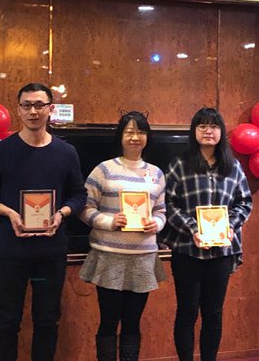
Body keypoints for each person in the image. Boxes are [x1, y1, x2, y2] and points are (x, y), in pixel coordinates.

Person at [0, 83, 87, 361]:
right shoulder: (1, 151)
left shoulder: (66, 152)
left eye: (39, 105)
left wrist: (62, 213)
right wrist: (7, 212)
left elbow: (79, 194)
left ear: (50, 109)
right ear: (18, 110)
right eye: (27, 105)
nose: (33, 111)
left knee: (47, 320)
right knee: (7, 320)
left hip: (51, 251)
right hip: (11, 251)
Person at [160, 107, 252, 361]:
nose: (208, 131)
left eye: (213, 126)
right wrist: (193, 229)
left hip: (222, 251)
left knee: (213, 313)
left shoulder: (233, 166)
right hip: (187, 250)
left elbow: (244, 202)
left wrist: (230, 226)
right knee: (187, 312)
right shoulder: (180, 164)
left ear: (221, 132)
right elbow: (168, 204)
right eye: (202, 126)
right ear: (194, 131)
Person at [79, 111, 166, 361]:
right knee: (108, 322)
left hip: (143, 258)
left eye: (140, 132)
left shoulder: (156, 173)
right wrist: (109, 222)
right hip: (110, 257)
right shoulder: (103, 170)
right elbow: (84, 208)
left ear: (147, 137)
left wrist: (156, 224)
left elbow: (161, 210)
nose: (135, 137)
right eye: (129, 132)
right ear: (121, 136)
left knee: (132, 323)